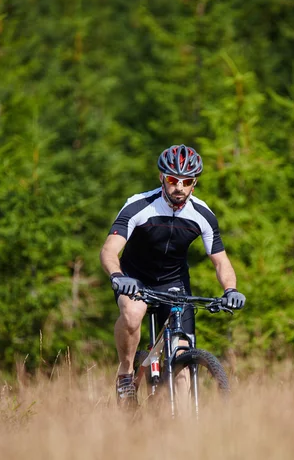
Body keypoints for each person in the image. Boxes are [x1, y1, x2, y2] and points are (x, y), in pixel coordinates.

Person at [100, 144, 245, 406]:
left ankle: (185, 431)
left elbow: (221, 261)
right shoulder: (138, 205)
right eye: (172, 180)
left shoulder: (202, 214)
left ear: (194, 184)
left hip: (174, 283)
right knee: (132, 316)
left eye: (186, 181)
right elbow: (109, 250)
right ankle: (125, 373)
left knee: (182, 355)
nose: (179, 187)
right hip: (135, 278)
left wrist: (231, 290)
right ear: (162, 178)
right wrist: (117, 275)